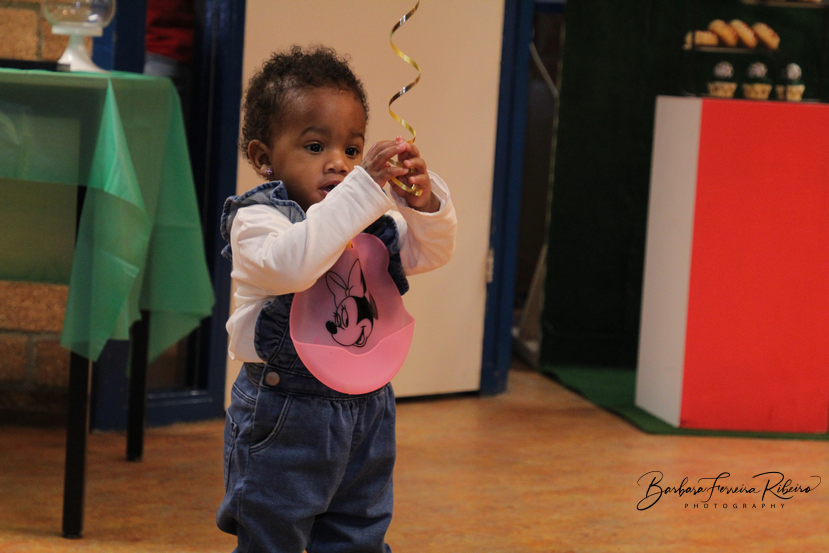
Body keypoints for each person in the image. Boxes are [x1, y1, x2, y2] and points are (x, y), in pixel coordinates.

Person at [216, 45, 457, 553]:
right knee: (271, 535)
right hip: (284, 412)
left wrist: (423, 203)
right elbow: (295, 264)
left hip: (369, 410)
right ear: (263, 158)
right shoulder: (257, 221)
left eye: (352, 150)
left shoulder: (371, 220)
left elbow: (430, 252)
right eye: (314, 146)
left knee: (358, 533)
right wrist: (362, 190)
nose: (339, 165)